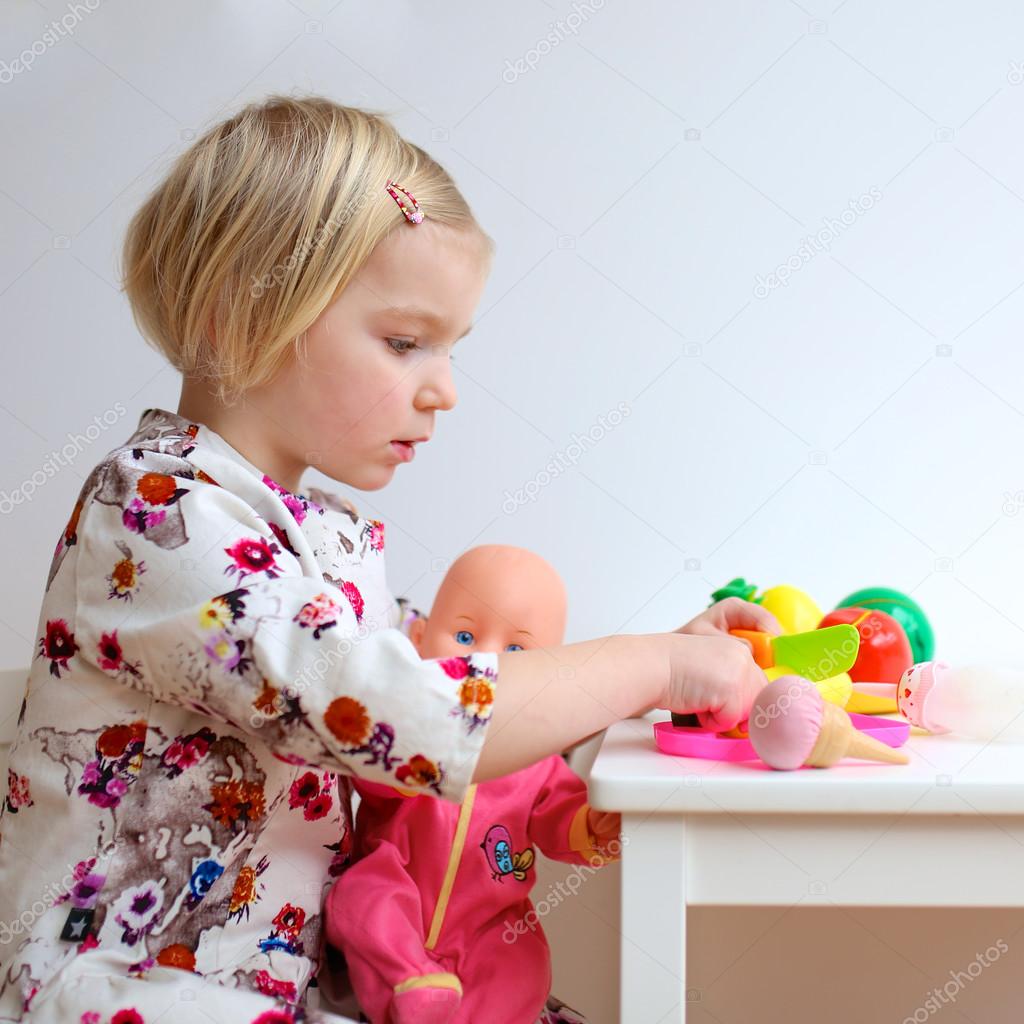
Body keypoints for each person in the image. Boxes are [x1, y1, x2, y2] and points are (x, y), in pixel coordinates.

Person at [0, 95, 777, 1024]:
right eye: (406, 343)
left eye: (448, 349)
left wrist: (664, 660)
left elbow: (458, 684)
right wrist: (653, 664)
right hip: (142, 988)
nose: (443, 389)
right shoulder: (161, 506)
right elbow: (405, 711)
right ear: (238, 312)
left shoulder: (320, 531)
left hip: (284, 979)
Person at [326, 545, 622, 1024]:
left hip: (491, 923)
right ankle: (411, 987)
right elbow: (375, 776)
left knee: (522, 964)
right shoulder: (405, 726)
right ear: (419, 640)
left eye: (517, 650)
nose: (486, 660)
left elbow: (558, 813)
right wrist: (423, 731)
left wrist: (592, 826)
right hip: (399, 893)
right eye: (465, 635)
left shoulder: (536, 757)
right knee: (362, 899)